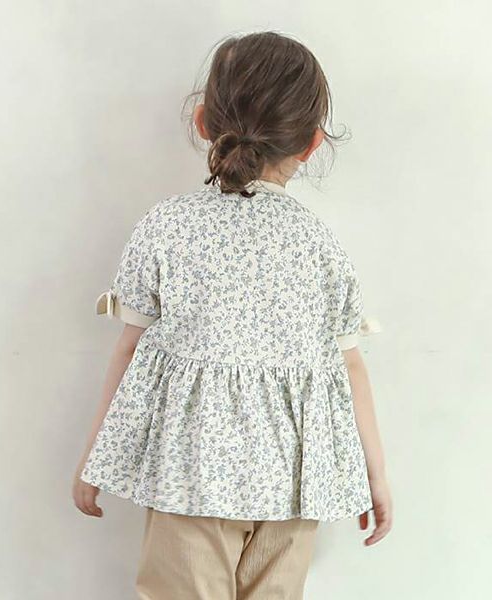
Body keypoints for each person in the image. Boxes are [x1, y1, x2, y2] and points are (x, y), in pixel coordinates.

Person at [72, 30, 392, 600]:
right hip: (294, 487)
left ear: (202, 123)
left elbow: (130, 349)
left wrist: (95, 457)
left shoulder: (168, 225)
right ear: (312, 143)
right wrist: (376, 475)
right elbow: (350, 368)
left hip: (192, 475)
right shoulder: (319, 243)